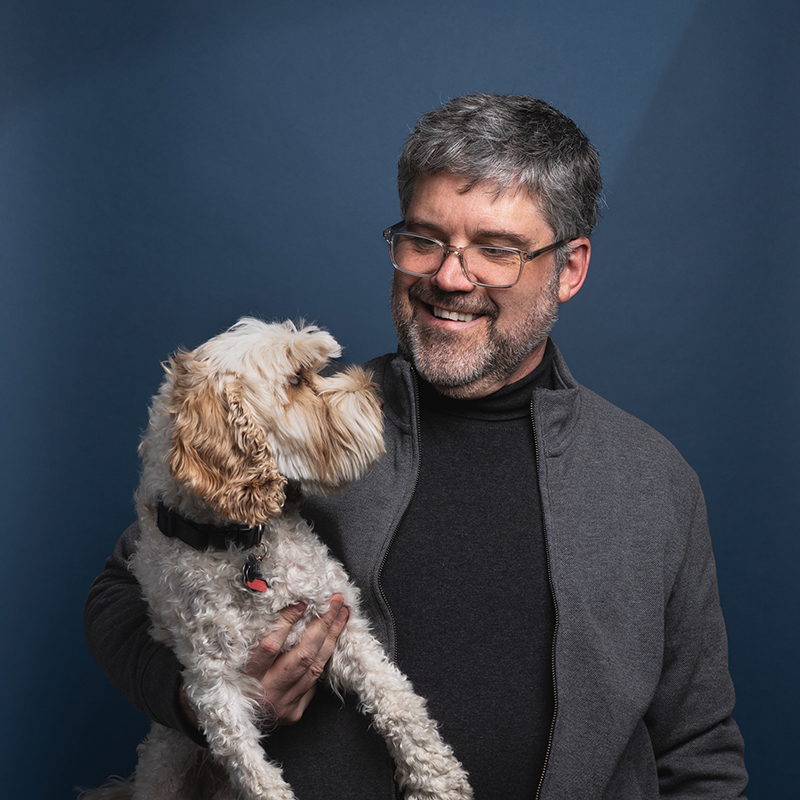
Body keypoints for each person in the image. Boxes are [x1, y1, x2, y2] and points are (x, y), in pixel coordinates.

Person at [85, 93, 748, 798]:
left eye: (495, 250)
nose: (450, 278)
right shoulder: (306, 428)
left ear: (570, 268)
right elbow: (120, 592)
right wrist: (193, 701)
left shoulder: (651, 480)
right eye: (424, 239)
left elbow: (698, 749)